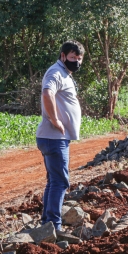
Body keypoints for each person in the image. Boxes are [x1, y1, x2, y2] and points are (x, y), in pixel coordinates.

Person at [36, 41, 85, 231]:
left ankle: (46, 223)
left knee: (53, 181)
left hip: (54, 138)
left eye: (79, 59)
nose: (77, 62)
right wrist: (55, 120)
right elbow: (47, 93)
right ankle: (54, 226)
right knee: (60, 182)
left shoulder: (64, 73)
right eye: (73, 58)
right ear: (63, 56)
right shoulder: (55, 72)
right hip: (53, 138)